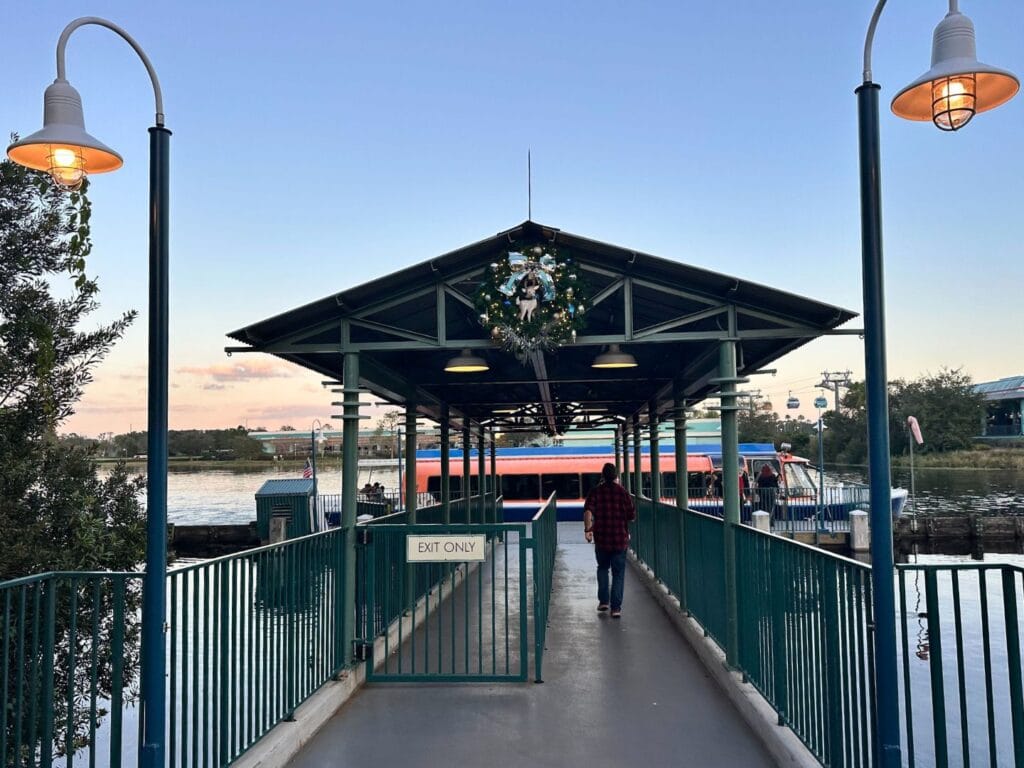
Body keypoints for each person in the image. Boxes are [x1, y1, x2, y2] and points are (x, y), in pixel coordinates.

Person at [583, 463, 636, 618]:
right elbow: (632, 516)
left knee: (602, 568)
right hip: (620, 539)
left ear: (603, 476)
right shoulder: (623, 493)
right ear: (615, 476)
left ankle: (604, 601)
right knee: (618, 574)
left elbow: (587, 511)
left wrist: (588, 530)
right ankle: (616, 608)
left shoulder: (596, 492)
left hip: (602, 539)